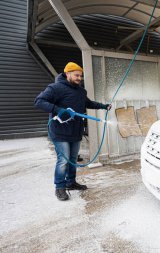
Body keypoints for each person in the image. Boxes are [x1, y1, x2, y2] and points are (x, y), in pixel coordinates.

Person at [34, 62, 111, 201]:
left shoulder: (81, 91)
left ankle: (71, 182)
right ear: (67, 74)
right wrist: (58, 110)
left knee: (73, 159)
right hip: (60, 131)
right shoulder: (55, 88)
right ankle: (59, 187)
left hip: (75, 131)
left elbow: (88, 103)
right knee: (63, 160)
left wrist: (104, 106)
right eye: (76, 75)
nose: (79, 78)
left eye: (80, 76)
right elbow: (39, 101)